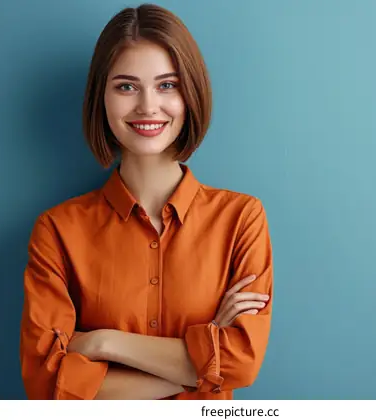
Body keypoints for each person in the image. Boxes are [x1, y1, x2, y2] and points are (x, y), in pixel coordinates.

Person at [19, 3, 273, 400]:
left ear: (191, 94)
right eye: (126, 86)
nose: (147, 106)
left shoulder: (241, 219)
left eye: (167, 85)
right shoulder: (57, 230)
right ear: (100, 97)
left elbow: (241, 362)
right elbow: (47, 385)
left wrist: (102, 343)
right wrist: (203, 365)